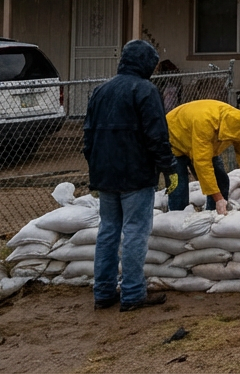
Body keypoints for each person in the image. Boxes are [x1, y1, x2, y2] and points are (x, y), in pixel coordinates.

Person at [83, 39, 177, 312]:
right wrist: (169, 168)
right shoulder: (145, 90)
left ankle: (103, 291)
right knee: (135, 231)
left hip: (105, 174)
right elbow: (157, 136)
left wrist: (95, 168)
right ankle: (133, 293)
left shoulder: (101, 91)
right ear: (146, 63)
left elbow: (88, 135)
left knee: (108, 231)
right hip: (136, 174)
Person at [165, 99, 240, 215]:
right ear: (219, 129)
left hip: (202, 141)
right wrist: (218, 198)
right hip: (174, 138)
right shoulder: (205, 123)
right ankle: (177, 218)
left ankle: (214, 214)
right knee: (178, 185)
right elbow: (202, 163)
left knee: (221, 180)